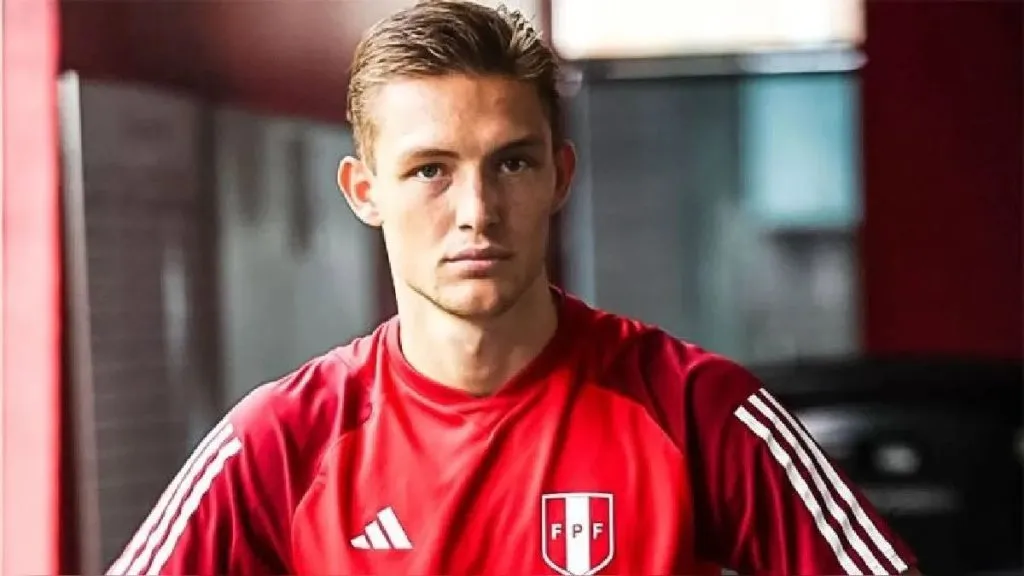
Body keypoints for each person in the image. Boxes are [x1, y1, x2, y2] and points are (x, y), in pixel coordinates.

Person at [108, 2, 920, 575]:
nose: (477, 211)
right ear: (363, 191)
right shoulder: (282, 442)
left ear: (559, 176)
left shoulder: (695, 410)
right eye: (431, 170)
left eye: (512, 163)